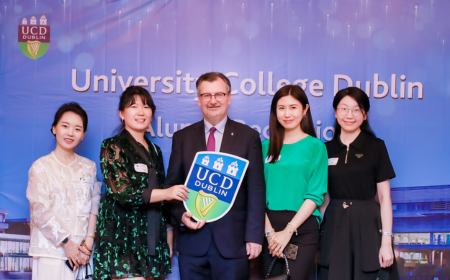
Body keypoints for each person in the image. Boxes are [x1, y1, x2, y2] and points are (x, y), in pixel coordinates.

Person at [163, 72, 266, 280]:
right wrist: (181, 215)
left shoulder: (249, 137)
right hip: (192, 245)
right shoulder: (182, 138)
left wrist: (254, 237)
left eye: (219, 94)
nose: (213, 100)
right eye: (206, 95)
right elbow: (172, 188)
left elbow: (256, 190)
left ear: (229, 97)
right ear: (199, 99)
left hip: (234, 244)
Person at [93, 86, 188, 280]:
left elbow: (160, 194)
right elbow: (124, 192)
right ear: (121, 113)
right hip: (122, 238)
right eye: (133, 106)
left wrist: (168, 232)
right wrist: (168, 193)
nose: (141, 112)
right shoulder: (113, 146)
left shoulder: (155, 150)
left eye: (146, 106)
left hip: (151, 237)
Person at [318, 87, 399, 280]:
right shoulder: (325, 149)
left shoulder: (376, 146)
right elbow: (324, 198)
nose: (350, 115)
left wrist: (386, 240)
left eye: (356, 109)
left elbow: (385, 197)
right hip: (334, 226)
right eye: (344, 108)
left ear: (365, 114)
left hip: (368, 226)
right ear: (336, 112)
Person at [27, 102, 101, 280]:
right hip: (50, 253)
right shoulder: (40, 167)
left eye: (77, 129)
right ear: (54, 128)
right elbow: (39, 210)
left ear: (82, 135)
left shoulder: (89, 167)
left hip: (82, 255)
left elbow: (94, 204)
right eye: (65, 126)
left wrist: (88, 243)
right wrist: (66, 242)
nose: (70, 133)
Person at [262, 85, 328, 280]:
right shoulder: (263, 146)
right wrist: (270, 234)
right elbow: (256, 192)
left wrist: (288, 231)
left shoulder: (316, 147)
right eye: (281, 108)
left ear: (305, 110)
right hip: (268, 226)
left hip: (302, 227)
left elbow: (315, 195)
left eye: (293, 107)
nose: (287, 113)